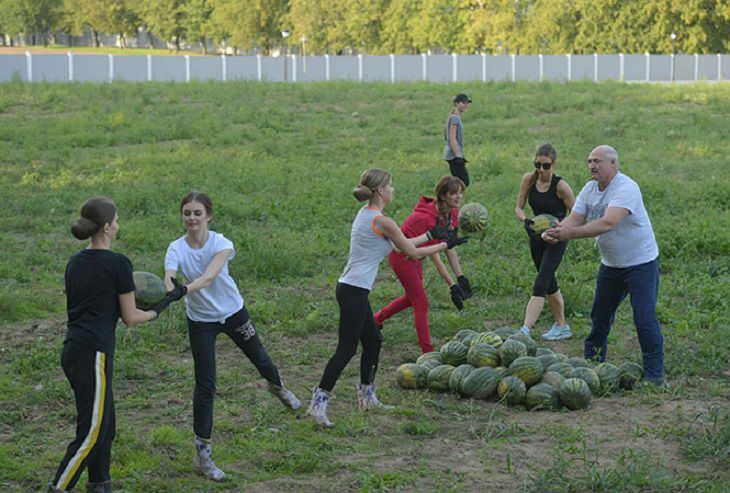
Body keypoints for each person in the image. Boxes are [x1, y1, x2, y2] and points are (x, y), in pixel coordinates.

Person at [307, 169, 467, 427]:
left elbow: (396, 245)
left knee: (372, 343)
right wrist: (445, 244)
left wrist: (430, 235)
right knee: (345, 349)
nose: (393, 189)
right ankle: (318, 403)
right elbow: (412, 253)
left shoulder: (368, 215)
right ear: (380, 191)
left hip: (352, 289)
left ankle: (367, 396)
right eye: (390, 185)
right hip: (354, 292)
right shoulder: (384, 221)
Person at [162, 191, 301, 481]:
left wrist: (183, 290)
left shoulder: (221, 243)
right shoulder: (175, 248)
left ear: (208, 216)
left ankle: (277, 387)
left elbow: (210, 276)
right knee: (205, 384)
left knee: (261, 359)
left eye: (197, 213)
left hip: (233, 312)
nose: (191, 218)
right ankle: (203, 454)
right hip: (201, 321)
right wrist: (168, 288)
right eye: (187, 213)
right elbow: (169, 276)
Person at [48, 197, 184, 493]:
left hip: (74, 349)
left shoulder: (75, 262)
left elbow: (99, 303)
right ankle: (58, 488)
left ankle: (99, 484)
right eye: (117, 221)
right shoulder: (118, 263)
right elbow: (131, 317)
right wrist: (163, 304)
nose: (119, 225)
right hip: (93, 354)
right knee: (92, 433)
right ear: (107, 227)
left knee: (105, 426)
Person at [544, 145, 664, 386]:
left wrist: (569, 235)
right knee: (599, 317)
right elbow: (575, 218)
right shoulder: (589, 189)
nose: (592, 166)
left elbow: (608, 223)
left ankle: (654, 375)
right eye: (589, 161)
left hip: (641, 263)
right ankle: (592, 366)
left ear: (613, 164)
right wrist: (557, 231)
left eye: (597, 161)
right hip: (611, 265)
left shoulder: (626, 188)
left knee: (644, 318)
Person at [374, 176, 472, 353]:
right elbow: (434, 253)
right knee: (421, 302)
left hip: (418, 255)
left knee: (411, 298)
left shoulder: (453, 213)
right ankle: (427, 352)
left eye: (460, 193)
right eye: (453, 193)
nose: (458, 197)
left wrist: (459, 278)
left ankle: (375, 321)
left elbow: (449, 246)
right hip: (402, 258)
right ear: (443, 196)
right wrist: (451, 285)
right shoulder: (424, 218)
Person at [514, 143, 575, 340]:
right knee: (549, 282)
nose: (541, 170)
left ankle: (525, 330)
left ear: (554, 164)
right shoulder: (529, 180)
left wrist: (559, 228)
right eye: (537, 164)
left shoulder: (561, 187)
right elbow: (519, 208)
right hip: (536, 235)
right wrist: (526, 221)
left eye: (546, 166)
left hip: (556, 238)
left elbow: (576, 214)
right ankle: (562, 326)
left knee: (541, 283)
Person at [442, 93, 472, 187]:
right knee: (463, 182)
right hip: (454, 156)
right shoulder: (454, 118)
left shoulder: (454, 117)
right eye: (463, 102)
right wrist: (458, 156)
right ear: (456, 103)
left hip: (452, 155)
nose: (466, 105)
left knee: (459, 182)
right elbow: (452, 138)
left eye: (467, 102)